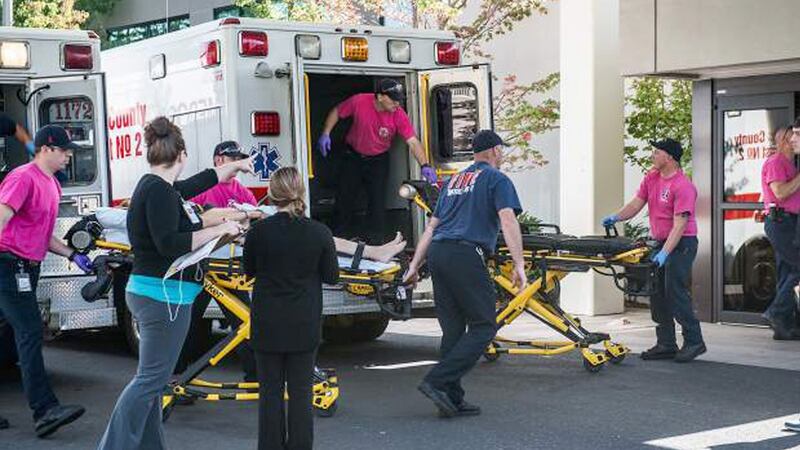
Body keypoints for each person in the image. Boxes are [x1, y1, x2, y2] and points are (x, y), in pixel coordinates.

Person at [97, 117, 252, 450]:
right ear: (181, 154)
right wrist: (218, 230)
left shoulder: (160, 188)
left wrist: (235, 166)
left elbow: (199, 182)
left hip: (160, 296)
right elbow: (170, 243)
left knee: (153, 383)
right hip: (162, 298)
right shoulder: (159, 192)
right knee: (150, 381)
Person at [403, 130, 526, 418]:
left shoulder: (454, 181)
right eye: (502, 150)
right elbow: (507, 220)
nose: (502, 155)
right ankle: (437, 381)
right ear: (495, 151)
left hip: (439, 255)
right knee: (484, 327)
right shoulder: (497, 179)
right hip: (465, 254)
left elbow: (432, 227)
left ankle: (451, 397)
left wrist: (414, 265)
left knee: (454, 330)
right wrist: (519, 264)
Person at [0, 125, 92, 437]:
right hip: (8, 265)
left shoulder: (51, 185)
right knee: (28, 332)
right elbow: (1, 215)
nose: (69, 155)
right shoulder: (22, 177)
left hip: (29, 267)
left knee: (7, 338)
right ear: (46, 148)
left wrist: (71, 255)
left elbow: (41, 233)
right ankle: (45, 410)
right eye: (65, 150)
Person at [243, 166, 338, 450]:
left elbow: (248, 271)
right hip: (303, 322)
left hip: (267, 322)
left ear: (272, 194)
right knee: (300, 394)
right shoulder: (319, 232)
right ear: (300, 192)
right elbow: (332, 276)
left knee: (270, 394)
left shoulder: (258, 232)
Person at [602, 138, 706, 362]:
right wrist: (615, 217)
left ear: (669, 157)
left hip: (682, 244)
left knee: (675, 291)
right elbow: (635, 204)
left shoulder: (683, 186)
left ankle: (694, 341)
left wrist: (665, 254)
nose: (652, 155)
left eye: (656, 152)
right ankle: (666, 343)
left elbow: (679, 226)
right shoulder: (652, 178)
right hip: (660, 242)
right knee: (657, 293)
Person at [318, 78, 437, 244]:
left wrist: (425, 165)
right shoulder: (359, 101)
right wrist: (326, 133)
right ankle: (336, 240)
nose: (397, 103)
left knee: (377, 201)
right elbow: (337, 111)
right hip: (353, 156)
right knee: (345, 197)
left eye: (399, 100)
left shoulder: (399, 115)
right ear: (380, 97)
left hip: (378, 160)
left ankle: (376, 243)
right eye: (394, 99)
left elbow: (413, 141)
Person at [760, 126, 800, 340]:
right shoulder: (776, 162)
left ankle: (783, 326)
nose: (795, 140)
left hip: (788, 221)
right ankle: (775, 312)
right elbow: (780, 192)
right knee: (797, 268)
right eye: (792, 136)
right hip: (781, 221)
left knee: (787, 273)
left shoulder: (788, 164)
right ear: (783, 141)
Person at [191, 140, 258, 207]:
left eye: (239, 160)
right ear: (218, 160)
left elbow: (256, 215)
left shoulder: (245, 194)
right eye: (233, 159)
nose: (239, 164)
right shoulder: (200, 189)